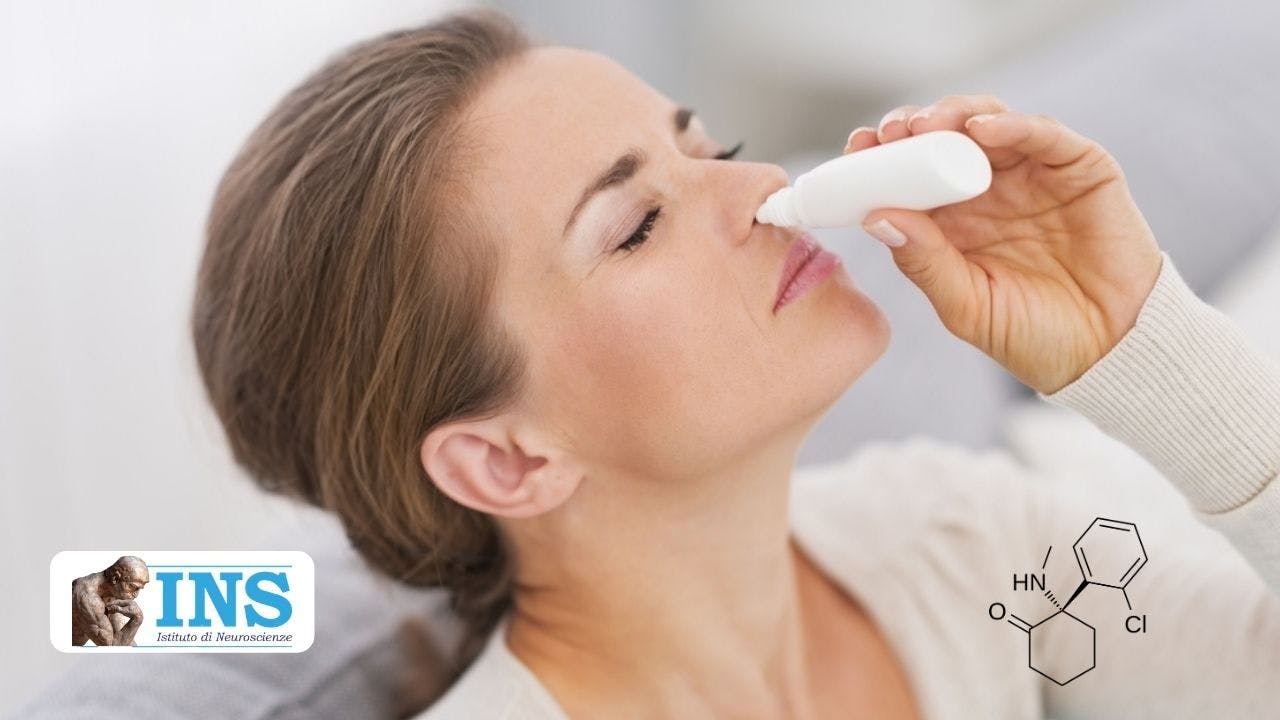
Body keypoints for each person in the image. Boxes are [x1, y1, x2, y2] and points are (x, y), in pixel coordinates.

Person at [191, 7, 1280, 718]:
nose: (759, 187)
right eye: (634, 226)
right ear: (506, 463)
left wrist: (1143, 344)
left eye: (705, 146)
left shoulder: (967, 546)